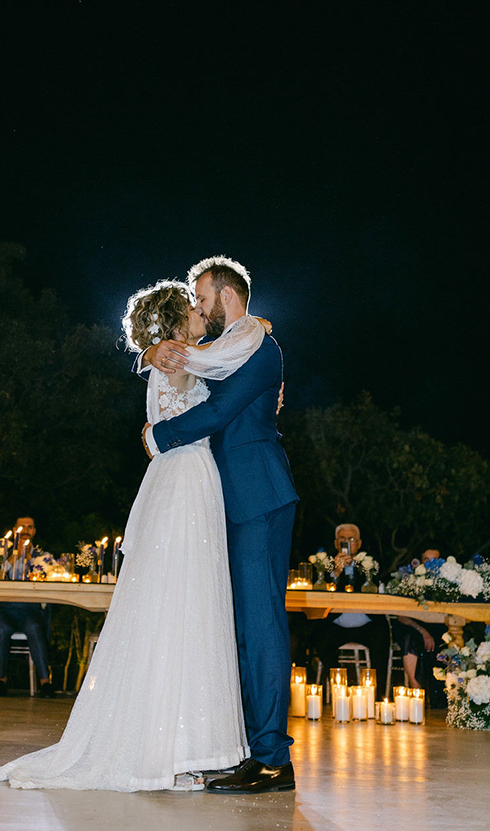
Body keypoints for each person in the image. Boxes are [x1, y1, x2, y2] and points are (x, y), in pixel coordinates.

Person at [0, 279, 264, 791]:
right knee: (188, 602)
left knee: (178, 603)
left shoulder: (170, 355)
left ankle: (177, 742)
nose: (202, 312)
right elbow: (225, 365)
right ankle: (181, 747)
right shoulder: (178, 356)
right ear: (179, 321)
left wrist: (151, 350)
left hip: (175, 480)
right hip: (186, 481)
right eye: (194, 307)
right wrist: (254, 328)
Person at [142, 257, 298, 795]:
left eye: (201, 297)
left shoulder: (260, 348)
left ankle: (274, 758)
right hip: (224, 502)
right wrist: (150, 350)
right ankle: (250, 751)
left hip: (258, 496)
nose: (198, 307)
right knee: (236, 633)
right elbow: (186, 367)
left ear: (226, 292)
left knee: (261, 628)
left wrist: (155, 439)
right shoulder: (228, 350)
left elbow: (217, 413)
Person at [310, 524, 389, 698]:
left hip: (367, 623)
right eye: (342, 540)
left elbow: (377, 584)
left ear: (359, 543)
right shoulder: (325, 564)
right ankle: (342, 689)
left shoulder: (369, 563)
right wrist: (336, 571)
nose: (347, 543)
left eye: (351, 539)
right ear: (336, 543)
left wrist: (355, 566)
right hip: (337, 624)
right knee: (320, 638)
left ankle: (378, 697)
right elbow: (319, 591)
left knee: (382, 637)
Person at [0, 516, 54, 698]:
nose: (26, 530)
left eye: (30, 527)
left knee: (33, 626)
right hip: (4, 609)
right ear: (14, 530)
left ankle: (45, 682)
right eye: (22, 526)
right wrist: (14, 556)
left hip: (30, 609)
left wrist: (31, 561)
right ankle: (0, 680)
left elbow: (51, 580)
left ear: (34, 532)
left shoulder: (44, 557)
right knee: (1, 628)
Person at [392, 548, 447, 706]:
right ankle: (416, 693)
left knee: (443, 642)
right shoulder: (410, 582)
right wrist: (422, 631)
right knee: (411, 638)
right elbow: (401, 615)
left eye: (434, 560)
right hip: (413, 627)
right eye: (426, 560)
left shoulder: (447, 586)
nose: (429, 565)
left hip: (438, 628)